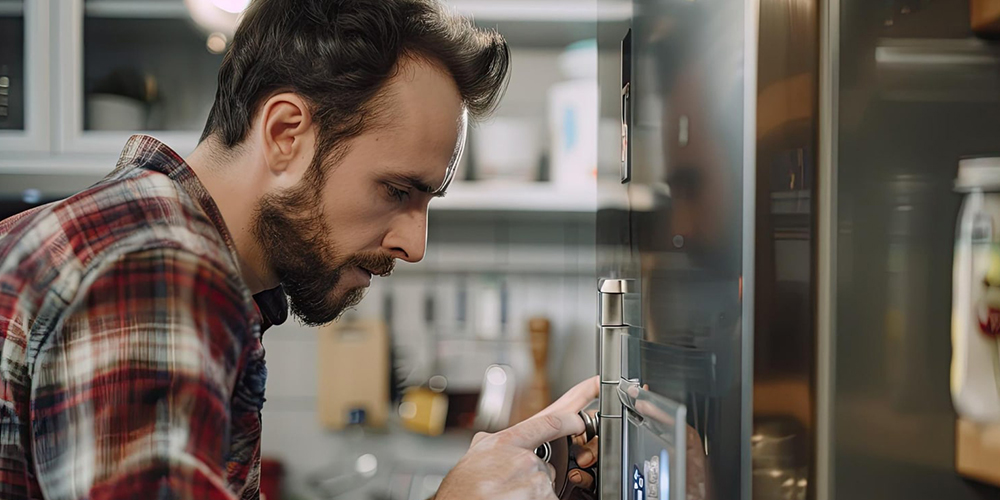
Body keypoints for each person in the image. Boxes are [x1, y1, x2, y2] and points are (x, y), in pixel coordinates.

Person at [0, 1, 597, 498]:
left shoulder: (126, 237)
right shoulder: (157, 265)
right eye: (397, 190)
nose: (413, 244)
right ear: (286, 134)